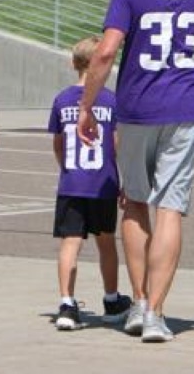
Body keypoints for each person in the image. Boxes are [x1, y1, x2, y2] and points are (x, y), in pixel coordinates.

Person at [77, 0, 194, 344]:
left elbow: (106, 51)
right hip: (184, 107)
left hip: (138, 107)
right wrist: (190, 70)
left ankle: (140, 302)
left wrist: (88, 105)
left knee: (135, 203)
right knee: (170, 208)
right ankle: (157, 314)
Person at [47, 35, 132, 331]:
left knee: (70, 243)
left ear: (74, 64)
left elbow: (58, 144)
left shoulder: (62, 100)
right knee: (106, 242)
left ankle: (66, 303)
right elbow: (117, 144)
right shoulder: (111, 100)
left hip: (72, 182)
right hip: (103, 182)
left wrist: (66, 168)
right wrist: (124, 179)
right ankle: (112, 299)